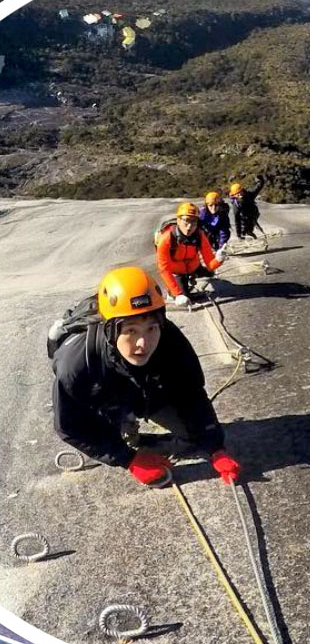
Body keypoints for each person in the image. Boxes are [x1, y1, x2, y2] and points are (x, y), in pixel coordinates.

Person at [51, 266, 242, 486]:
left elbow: (191, 394)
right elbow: (70, 425)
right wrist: (128, 459)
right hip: (101, 394)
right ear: (110, 331)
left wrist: (216, 448)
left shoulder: (169, 339)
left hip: (143, 388)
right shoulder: (76, 364)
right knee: (107, 432)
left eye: (151, 329)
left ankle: (138, 431)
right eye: (131, 331)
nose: (143, 343)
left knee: (193, 439)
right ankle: (121, 426)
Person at [155, 200, 225, 305]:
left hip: (194, 266)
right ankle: (171, 293)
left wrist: (218, 260)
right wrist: (177, 294)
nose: (189, 226)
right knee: (185, 298)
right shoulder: (166, 239)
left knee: (210, 272)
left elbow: (209, 263)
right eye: (186, 221)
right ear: (178, 220)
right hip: (177, 271)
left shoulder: (200, 236)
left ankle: (191, 278)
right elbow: (164, 269)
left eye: (194, 222)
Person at [228, 177, 266, 244]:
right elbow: (237, 220)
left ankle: (252, 233)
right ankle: (243, 238)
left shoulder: (249, 194)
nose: (239, 195)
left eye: (240, 193)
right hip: (243, 217)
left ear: (243, 191)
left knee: (250, 225)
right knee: (244, 229)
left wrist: (260, 180)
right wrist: (238, 234)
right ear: (234, 195)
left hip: (253, 213)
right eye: (237, 194)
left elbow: (258, 187)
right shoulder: (236, 205)